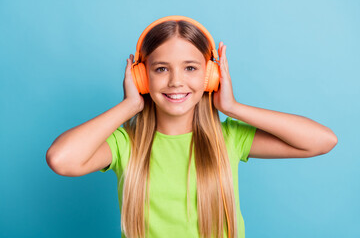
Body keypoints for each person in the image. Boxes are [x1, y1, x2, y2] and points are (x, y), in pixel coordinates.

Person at [46, 15, 338, 238]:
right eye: (161, 69)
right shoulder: (126, 144)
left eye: (190, 67)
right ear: (141, 78)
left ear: (211, 76)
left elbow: (322, 140)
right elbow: (61, 159)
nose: (176, 81)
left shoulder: (229, 138)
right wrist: (129, 106)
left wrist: (233, 108)